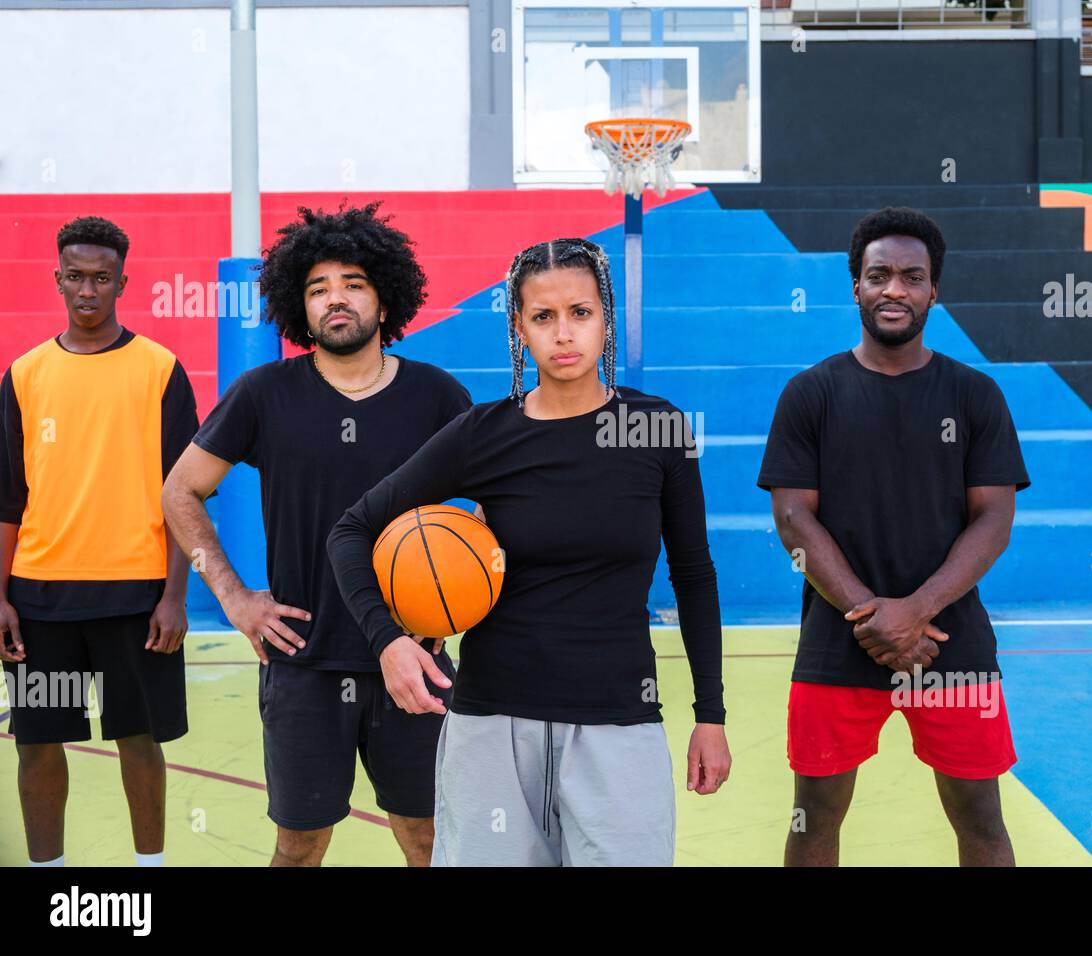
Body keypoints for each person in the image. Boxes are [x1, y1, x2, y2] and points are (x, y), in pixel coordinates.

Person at [327, 237, 731, 866]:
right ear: (518, 327)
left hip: (618, 722)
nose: (563, 334)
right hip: (491, 726)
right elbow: (350, 530)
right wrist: (387, 642)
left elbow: (694, 576)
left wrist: (711, 714)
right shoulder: (482, 434)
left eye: (580, 312)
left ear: (606, 318)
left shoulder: (659, 430)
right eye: (543, 317)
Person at [162, 203, 470, 866]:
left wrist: (464, 596)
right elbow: (178, 490)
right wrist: (234, 599)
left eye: (353, 283)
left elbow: (494, 509)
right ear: (298, 310)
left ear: (385, 301)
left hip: (414, 655)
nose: (335, 298)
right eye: (317, 288)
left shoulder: (438, 397)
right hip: (303, 660)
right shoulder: (263, 395)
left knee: (429, 837)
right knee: (299, 847)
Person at [760, 207, 1030, 867]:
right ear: (855, 284)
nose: (895, 290)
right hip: (838, 637)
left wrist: (916, 610)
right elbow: (794, 516)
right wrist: (871, 613)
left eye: (913, 277)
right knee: (814, 818)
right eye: (879, 275)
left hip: (951, 640)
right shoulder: (811, 393)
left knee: (982, 819)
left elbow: (993, 517)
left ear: (934, 290)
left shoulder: (974, 395)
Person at [0, 216, 196, 867]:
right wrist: (0, 597)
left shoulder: (161, 371)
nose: (88, 290)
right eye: (76, 277)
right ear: (57, 279)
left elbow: (184, 498)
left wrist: (175, 595)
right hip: (39, 603)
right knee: (37, 741)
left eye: (101, 278)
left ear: (122, 282)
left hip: (135, 601)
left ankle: (149, 871)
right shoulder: (23, 376)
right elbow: (6, 500)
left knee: (138, 739)